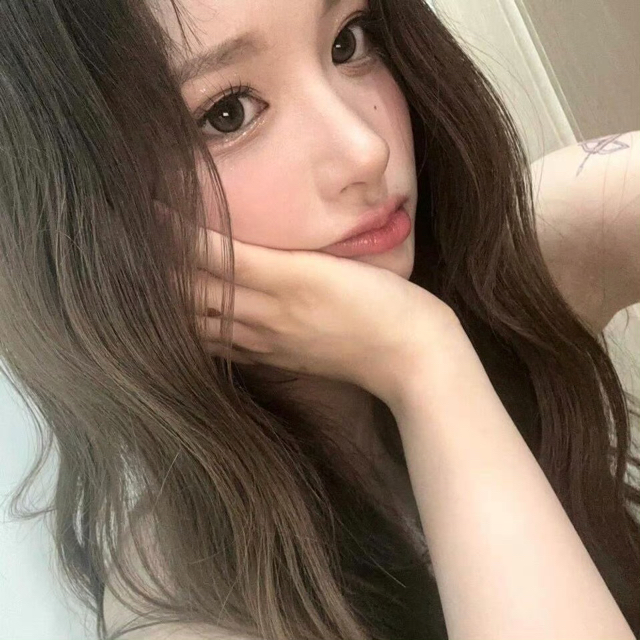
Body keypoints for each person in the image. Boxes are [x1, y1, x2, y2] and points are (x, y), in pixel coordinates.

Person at [0, 0, 638, 638]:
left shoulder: (517, 269)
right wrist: (424, 364)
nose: (366, 149)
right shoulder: (188, 607)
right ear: (86, 222)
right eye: (228, 113)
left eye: (348, 43)